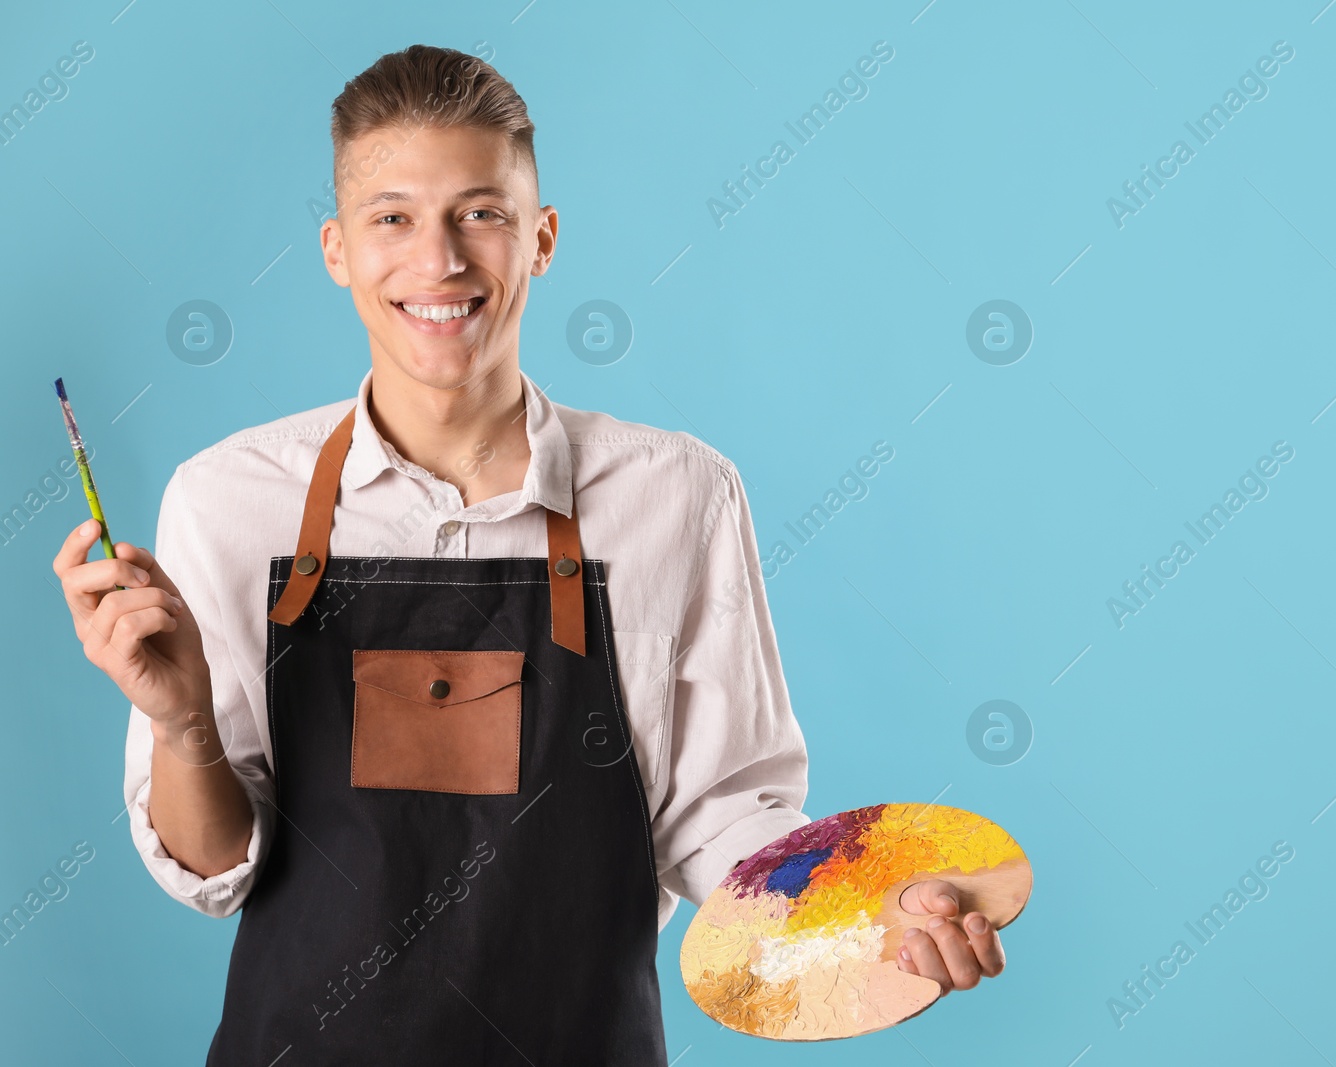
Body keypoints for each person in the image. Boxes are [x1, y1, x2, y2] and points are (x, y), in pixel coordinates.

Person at [51, 44, 1004, 1063]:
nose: (439, 261)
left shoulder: (677, 491)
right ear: (336, 249)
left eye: (481, 212)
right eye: (393, 218)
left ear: (540, 238)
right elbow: (215, 867)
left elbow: (721, 819)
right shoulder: (228, 497)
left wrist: (866, 903)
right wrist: (180, 718)